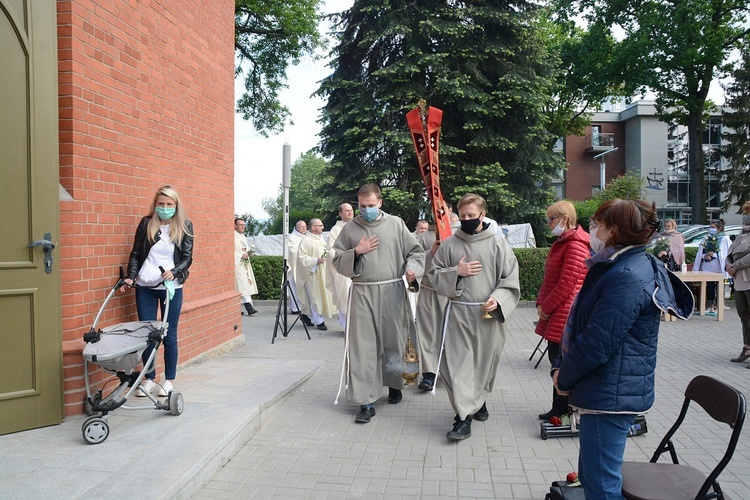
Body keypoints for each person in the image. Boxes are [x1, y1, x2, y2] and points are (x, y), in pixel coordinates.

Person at [552, 199, 693, 498]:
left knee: (601, 485)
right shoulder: (620, 263)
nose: (592, 228)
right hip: (610, 388)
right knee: (593, 475)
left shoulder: (626, 275)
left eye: (597, 223)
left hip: (611, 396)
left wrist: (564, 379)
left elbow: (597, 342)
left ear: (613, 230)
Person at [428, 193, 520, 440]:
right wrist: (456, 272)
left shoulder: (498, 244)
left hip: (486, 316)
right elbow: (433, 276)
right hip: (458, 313)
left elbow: (510, 280)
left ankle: (478, 401)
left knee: (483, 365)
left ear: (483, 214)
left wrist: (498, 299)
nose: (467, 220)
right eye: (463, 216)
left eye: (472, 215)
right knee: (457, 367)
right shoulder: (450, 244)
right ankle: (462, 418)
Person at [332, 183, 425, 424]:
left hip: (393, 290)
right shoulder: (351, 229)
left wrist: (412, 269)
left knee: (394, 341)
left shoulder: (395, 224)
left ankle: (395, 384)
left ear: (380, 203)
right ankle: (366, 401)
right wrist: (357, 251)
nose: (367, 210)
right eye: (362, 206)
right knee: (363, 347)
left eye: (371, 205)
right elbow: (337, 259)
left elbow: (414, 252)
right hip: (363, 293)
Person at [121, 185, 194, 397]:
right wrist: (131, 276)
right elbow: (135, 253)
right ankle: (149, 378)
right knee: (148, 334)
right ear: (156, 204)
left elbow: (188, 258)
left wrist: (175, 272)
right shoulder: (146, 224)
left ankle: (169, 380)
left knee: (169, 334)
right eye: (161, 204)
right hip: (145, 286)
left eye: (169, 204)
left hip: (171, 287)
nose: (164, 208)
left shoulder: (185, 226)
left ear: (176, 205)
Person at [535, 201, 590, 421]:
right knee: (556, 362)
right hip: (558, 312)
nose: (549, 224)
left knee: (562, 365)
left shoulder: (575, 245)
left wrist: (546, 308)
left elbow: (566, 285)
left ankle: (565, 411)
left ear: (564, 219)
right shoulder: (563, 242)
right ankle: (558, 408)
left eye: (552, 219)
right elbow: (550, 279)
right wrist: (541, 302)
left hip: (565, 313)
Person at [415, 214, 453, 393]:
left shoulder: (457, 236)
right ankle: (429, 373)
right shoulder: (421, 237)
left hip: (452, 296)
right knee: (428, 333)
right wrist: (430, 253)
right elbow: (413, 259)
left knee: (452, 335)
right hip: (429, 292)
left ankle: (450, 371)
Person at [295, 218, 335, 331]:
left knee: (322, 296)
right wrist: (315, 261)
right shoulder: (306, 240)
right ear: (313, 227)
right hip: (312, 273)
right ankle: (319, 321)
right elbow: (301, 258)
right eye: (320, 225)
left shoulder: (320, 239)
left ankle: (305, 316)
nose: (322, 227)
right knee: (315, 296)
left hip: (323, 273)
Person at [725, 201, 750, 366]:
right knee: (744, 316)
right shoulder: (743, 233)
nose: (746, 216)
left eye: (748, 212)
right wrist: (728, 265)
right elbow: (730, 251)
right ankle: (747, 348)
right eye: (745, 212)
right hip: (739, 280)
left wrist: (736, 265)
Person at [693, 219, 731, 315]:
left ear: (720, 228)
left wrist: (714, 254)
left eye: (713, 227)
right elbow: (701, 252)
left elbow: (725, 253)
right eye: (710, 227)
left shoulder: (724, 239)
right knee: (709, 287)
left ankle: (719, 306)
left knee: (719, 287)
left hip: (718, 267)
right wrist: (705, 256)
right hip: (708, 266)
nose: (711, 229)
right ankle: (710, 306)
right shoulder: (706, 238)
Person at [326, 203, 354, 329]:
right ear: (340, 214)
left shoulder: (358, 225)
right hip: (344, 270)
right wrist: (348, 255)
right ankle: (347, 327)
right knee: (346, 297)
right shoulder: (335, 230)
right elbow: (331, 250)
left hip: (360, 267)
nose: (350, 213)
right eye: (347, 211)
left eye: (351, 210)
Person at [287, 220, 312, 325]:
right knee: (295, 286)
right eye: (302, 227)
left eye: (305, 227)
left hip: (306, 266)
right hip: (296, 266)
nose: (304, 228)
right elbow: (292, 251)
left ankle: (304, 307)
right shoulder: (292, 238)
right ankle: (294, 307)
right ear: (296, 227)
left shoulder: (307, 237)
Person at [234, 217, 258, 316]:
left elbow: (244, 248)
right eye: (240, 225)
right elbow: (228, 251)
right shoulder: (232, 236)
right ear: (235, 225)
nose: (243, 227)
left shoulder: (242, 236)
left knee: (242, 286)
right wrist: (240, 256)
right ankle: (249, 307)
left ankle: (236, 309)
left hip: (244, 265)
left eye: (244, 225)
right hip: (237, 264)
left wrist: (249, 252)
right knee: (242, 285)